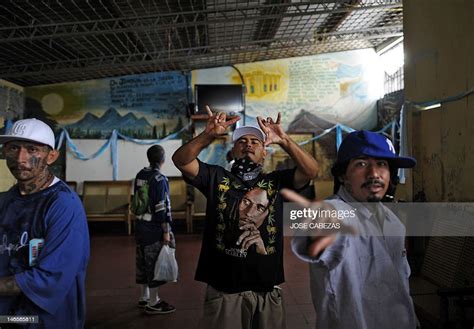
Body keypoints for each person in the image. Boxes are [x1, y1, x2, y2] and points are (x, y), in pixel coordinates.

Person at [172, 106, 319, 329]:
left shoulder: (276, 182)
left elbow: (310, 171)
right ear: (233, 151)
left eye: (255, 141)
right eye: (242, 141)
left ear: (264, 152)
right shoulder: (216, 177)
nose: (248, 144)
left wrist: (285, 140)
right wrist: (207, 135)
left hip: (266, 288)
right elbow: (181, 161)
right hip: (225, 290)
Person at [285, 130, 418, 329]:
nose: (374, 174)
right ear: (343, 176)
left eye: (382, 164)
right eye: (361, 164)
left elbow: (400, 281)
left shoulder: (393, 223)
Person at [0, 118, 90, 328]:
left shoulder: (63, 204)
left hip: (44, 319)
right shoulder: (5, 201)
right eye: (14, 148)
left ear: (51, 156)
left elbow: (49, 278)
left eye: (32, 149)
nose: (21, 158)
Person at [134, 144, 176, 315]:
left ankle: (143, 297)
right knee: (154, 264)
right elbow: (162, 207)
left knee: (142, 262)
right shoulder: (160, 179)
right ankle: (154, 302)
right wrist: (166, 231)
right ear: (162, 159)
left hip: (140, 225)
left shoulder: (140, 175)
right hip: (154, 228)